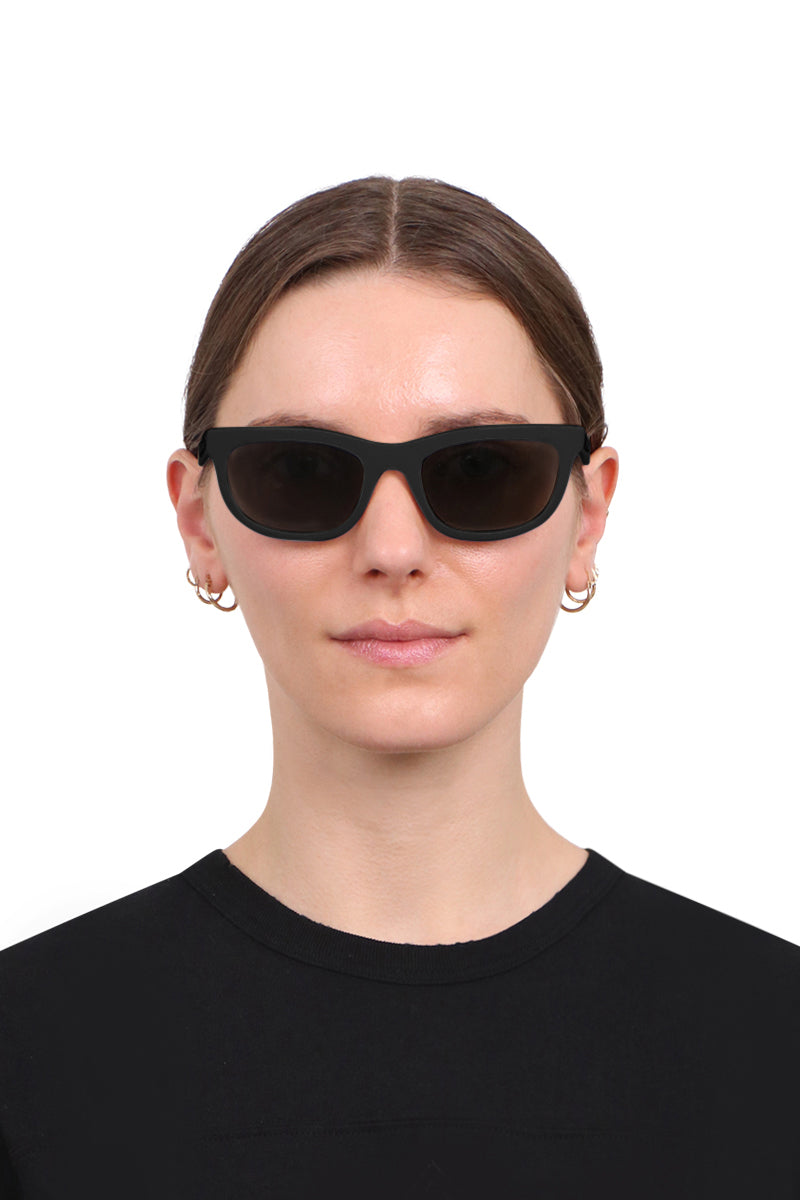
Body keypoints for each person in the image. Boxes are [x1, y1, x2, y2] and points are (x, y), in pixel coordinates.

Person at [0, 176, 797, 1198]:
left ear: (586, 517)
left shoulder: (775, 1051)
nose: (391, 547)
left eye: (479, 469)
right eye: (301, 470)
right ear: (200, 523)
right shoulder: (26, 1059)